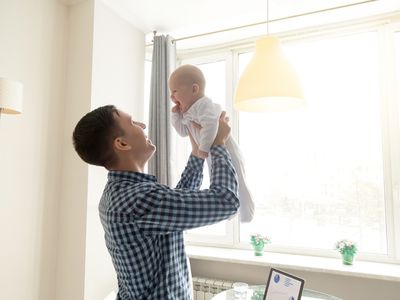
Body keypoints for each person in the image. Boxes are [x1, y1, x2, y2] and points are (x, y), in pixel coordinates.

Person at [72, 105, 239, 300]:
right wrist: (219, 144)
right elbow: (227, 201)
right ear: (122, 144)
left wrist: (197, 154)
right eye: (133, 122)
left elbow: (175, 205)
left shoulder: (117, 195)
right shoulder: (139, 199)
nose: (142, 125)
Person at [169, 64, 254, 222]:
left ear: (194, 89)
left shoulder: (204, 105)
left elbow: (210, 125)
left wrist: (203, 148)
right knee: (219, 179)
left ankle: (246, 214)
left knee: (237, 178)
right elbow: (182, 132)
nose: (172, 97)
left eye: (175, 91)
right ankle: (233, 214)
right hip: (210, 150)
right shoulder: (188, 112)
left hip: (225, 148)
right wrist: (175, 117)